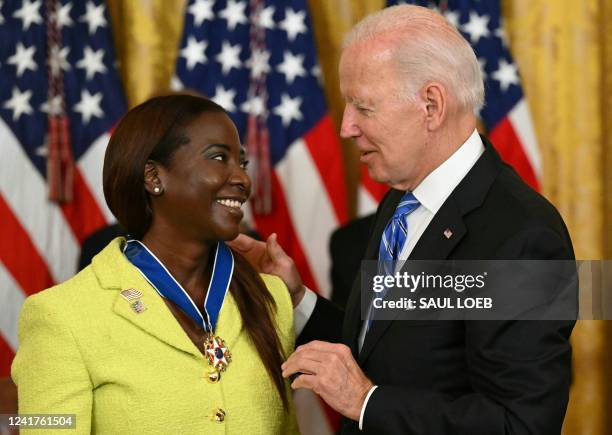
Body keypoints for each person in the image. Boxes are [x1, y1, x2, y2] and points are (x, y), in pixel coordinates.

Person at [231, 5, 576, 434]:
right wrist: (298, 298)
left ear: (431, 105)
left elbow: (522, 425)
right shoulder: (403, 202)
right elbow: (383, 349)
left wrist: (366, 402)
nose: (346, 128)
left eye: (363, 107)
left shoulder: (523, 236)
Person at [12, 94, 299, 434]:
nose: (242, 179)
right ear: (153, 177)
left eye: (242, 163)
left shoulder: (273, 298)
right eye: (219, 158)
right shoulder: (59, 315)